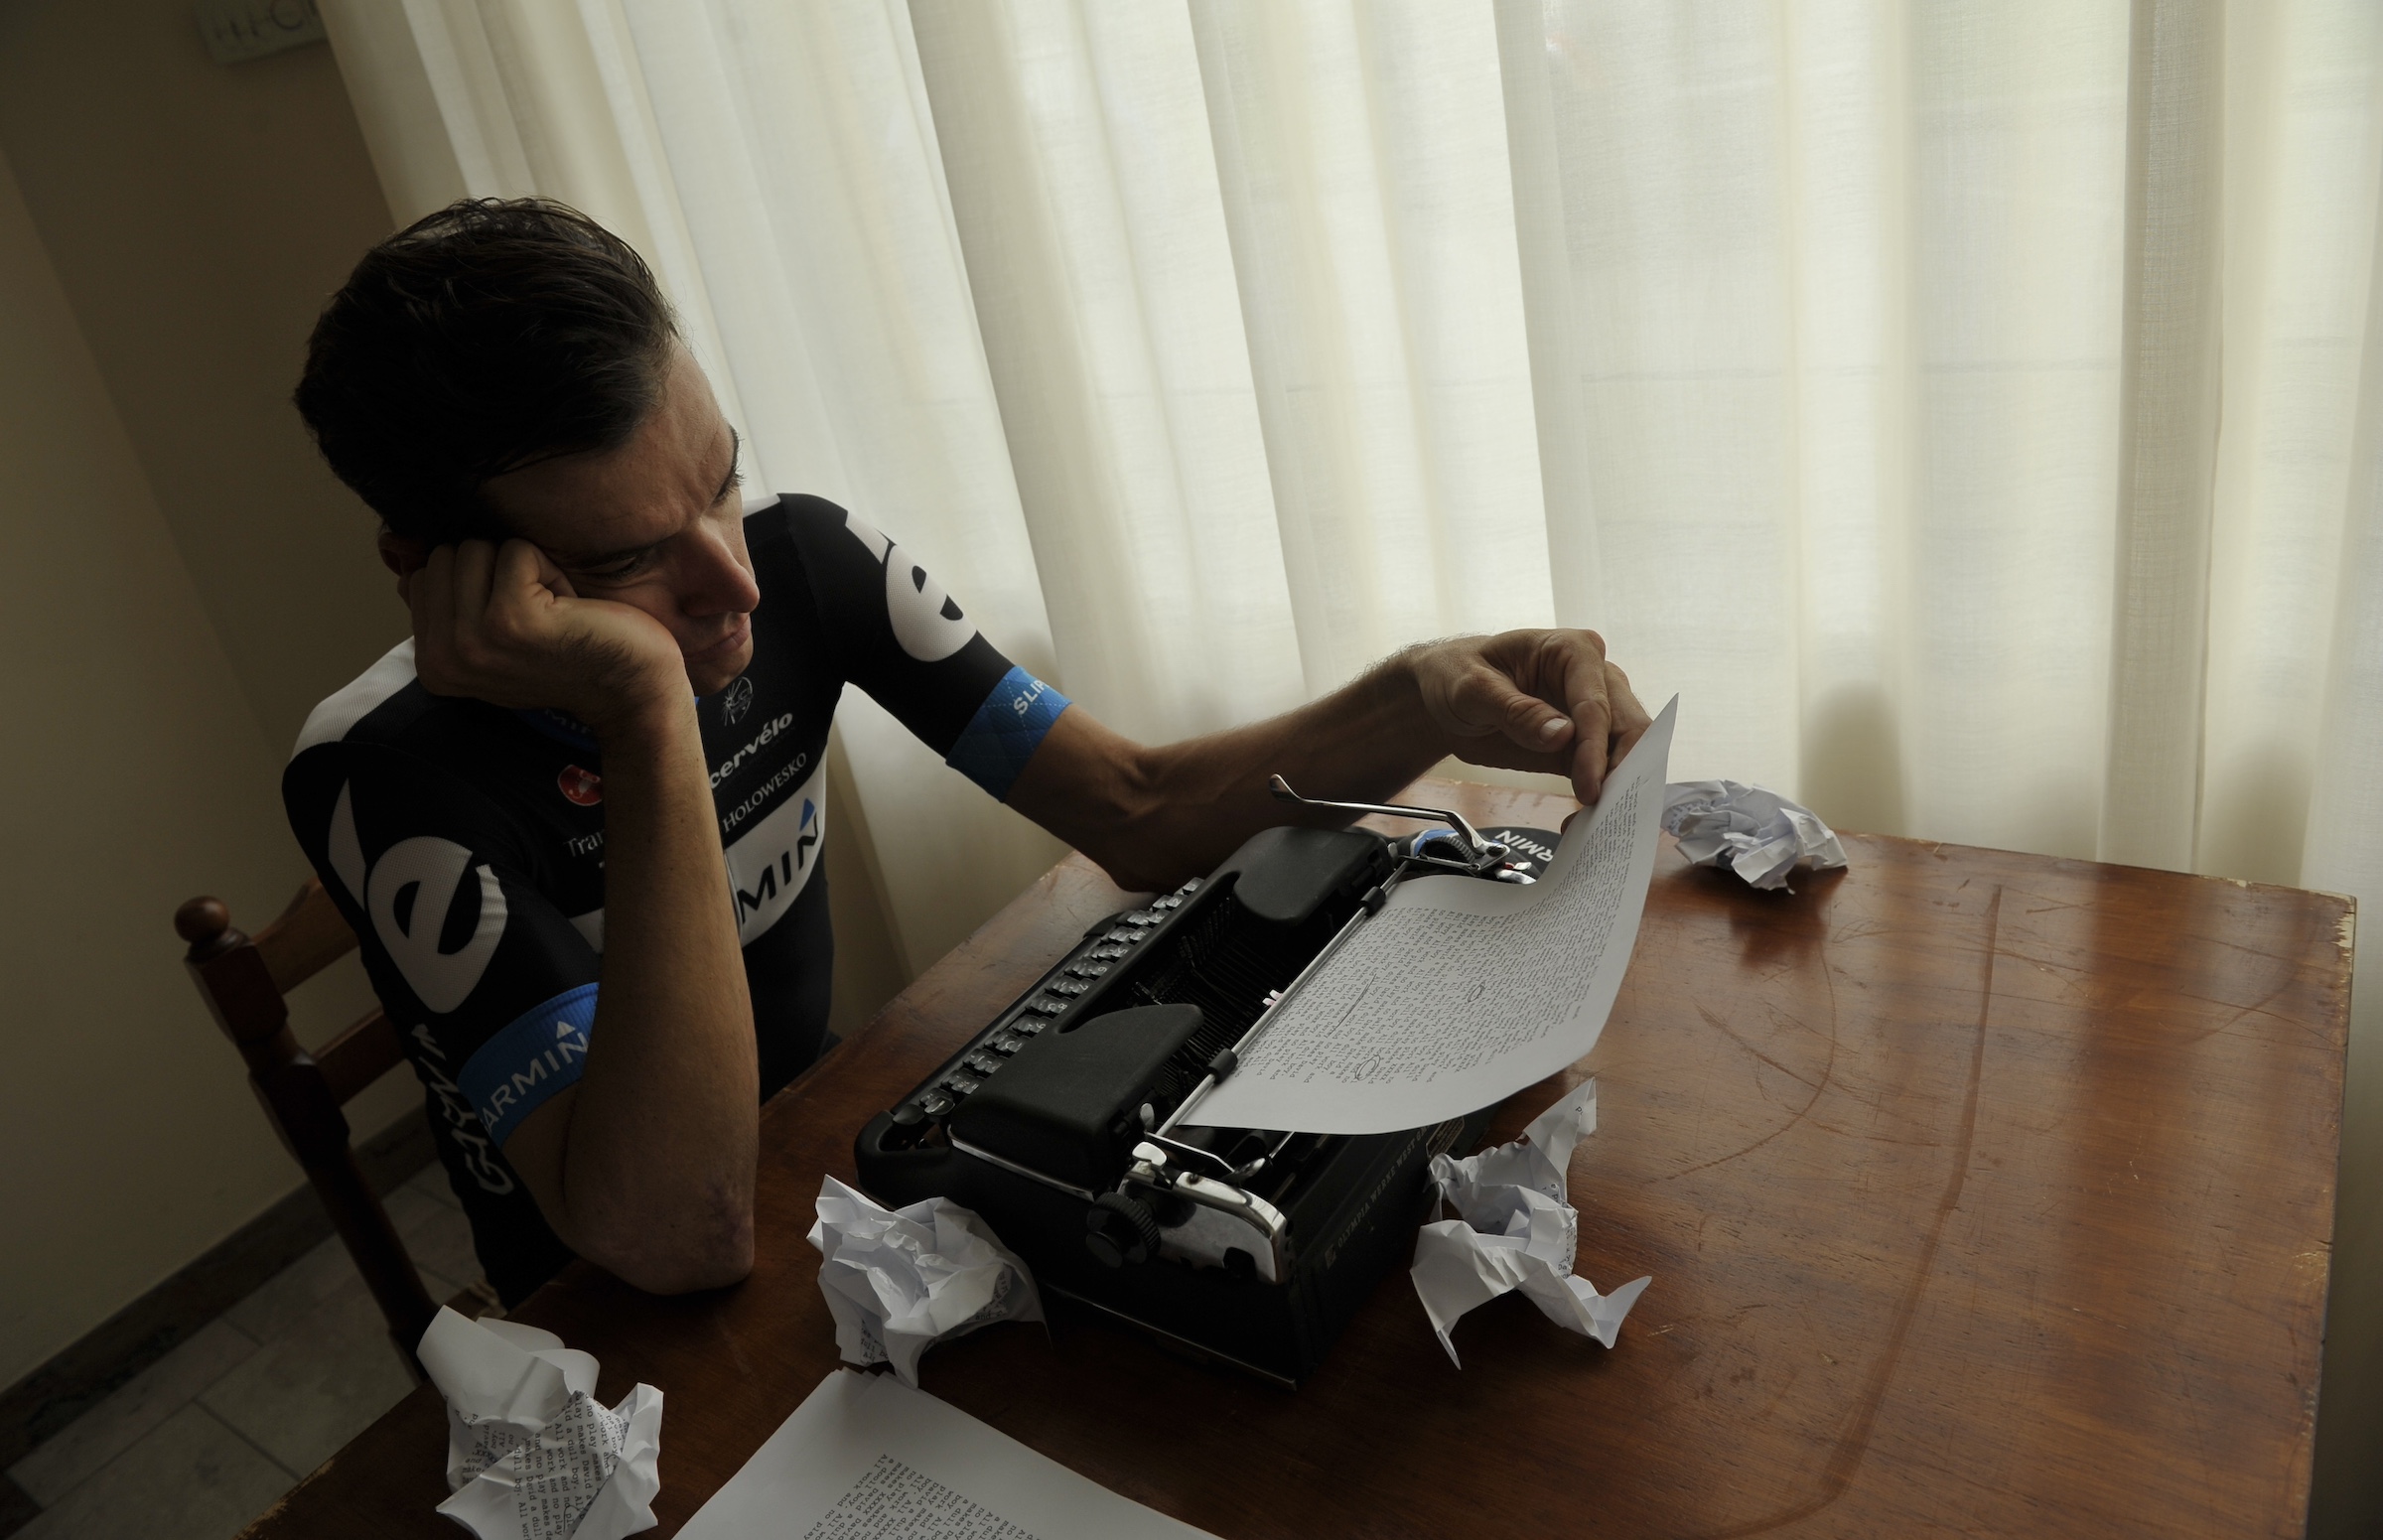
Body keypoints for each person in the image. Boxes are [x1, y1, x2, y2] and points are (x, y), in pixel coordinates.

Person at [285, 198, 1652, 1308]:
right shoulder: (383, 771)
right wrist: (644, 713)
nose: (732, 584)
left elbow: (1136, 808)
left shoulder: (804, 554)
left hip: (822, 1172)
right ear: (432, 569)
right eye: (626, 560)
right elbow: (674, 1229)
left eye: (719, 479)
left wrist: (1419, 692)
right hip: (614, 1314)